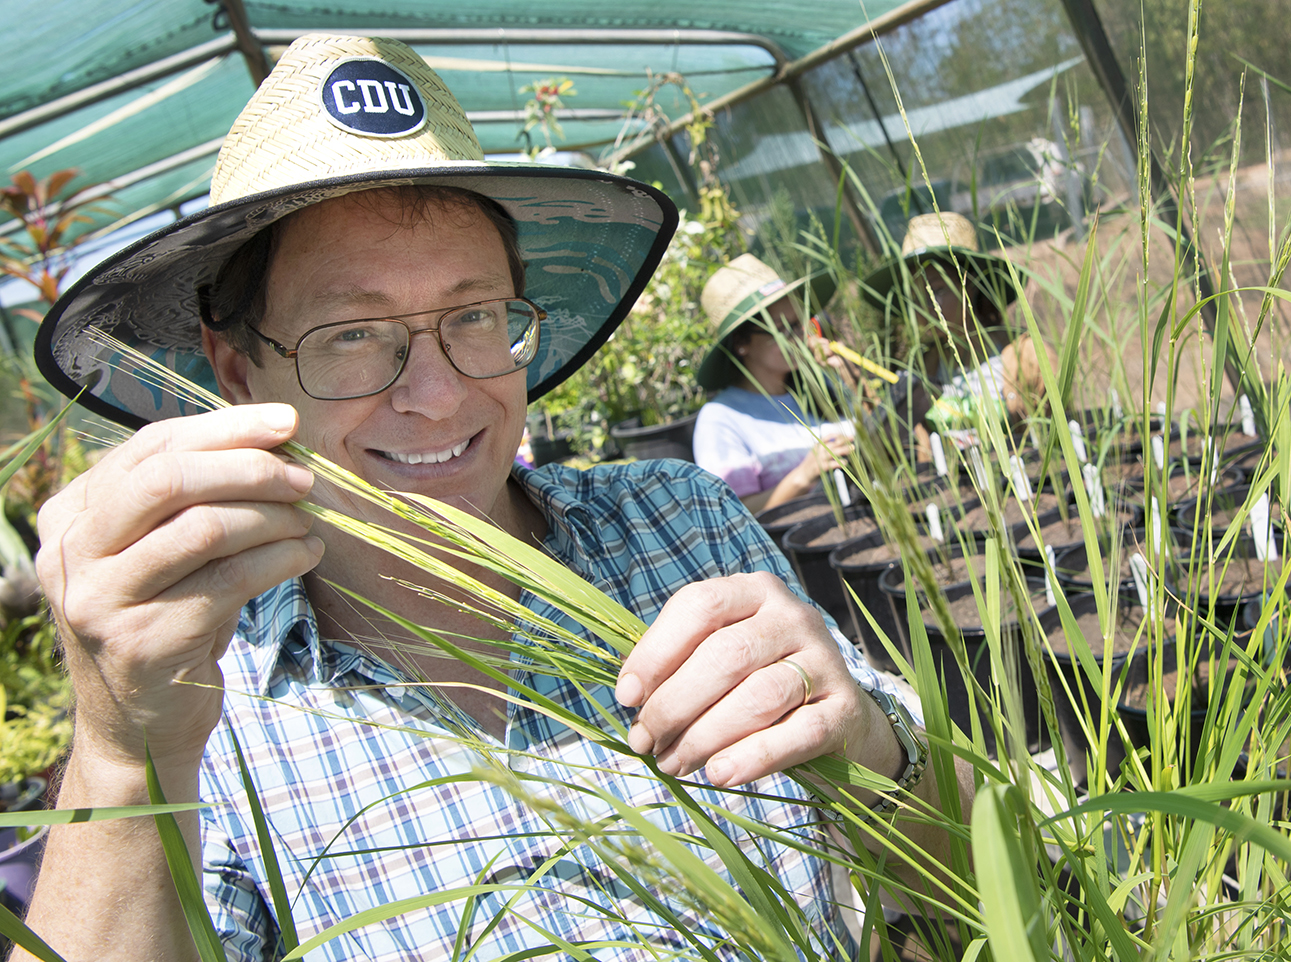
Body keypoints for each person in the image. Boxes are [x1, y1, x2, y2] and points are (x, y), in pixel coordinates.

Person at [23, 36, 971, 962]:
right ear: (238, 372)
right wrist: (119, 748)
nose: (437, 395)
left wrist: (875, 746)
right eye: (352, 335)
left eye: (474, 316)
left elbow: (957, 876)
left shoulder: (682, 524)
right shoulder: (211, 707)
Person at [862, 212, 1049, 446]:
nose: (925, 306)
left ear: (969, 284)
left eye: (937, 290)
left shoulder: (1025, 355)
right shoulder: (922, 367)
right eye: (915, 296)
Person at [692, 254, 855, 513]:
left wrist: (852, 379)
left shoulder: (821, 384)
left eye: (800, 325)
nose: (797, 338)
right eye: (781, 329)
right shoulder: (721, 419)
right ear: (741, 343)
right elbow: (731, 513)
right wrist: (805, 475)